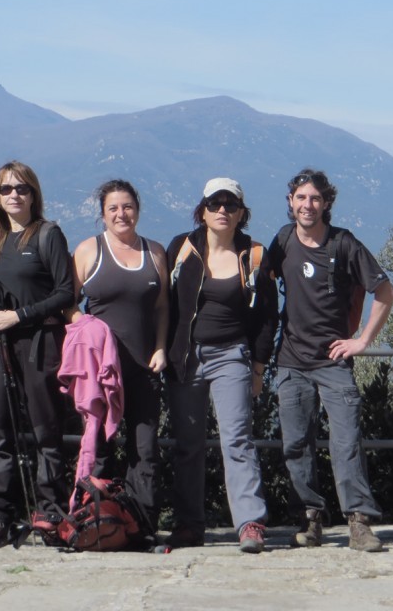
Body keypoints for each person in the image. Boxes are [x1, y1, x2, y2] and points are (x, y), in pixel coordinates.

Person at [268, 168, 393, 552]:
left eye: (315, 199)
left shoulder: (344, 244)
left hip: (333, 361)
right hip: (291, 360)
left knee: (347, 441)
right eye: (301, 198)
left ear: (327, 203)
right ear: (291, 202)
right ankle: (311, 520)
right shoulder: (284, 240)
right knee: (296, 444)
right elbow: (261, 283)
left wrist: (362, 341)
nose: (308, 205)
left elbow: (385, 292)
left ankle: (358, 523)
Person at [164, 178, 279, 554]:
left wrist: (259, 368)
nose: (222, 211)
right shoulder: (182, 248)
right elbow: (163, 304)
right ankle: (188, 525)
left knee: (238, 441)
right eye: (215, 203)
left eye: (231, 205)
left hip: (232, 355)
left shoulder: (255, 255)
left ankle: (250, 524)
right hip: (187, 358)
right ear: (203, 210)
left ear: (242, 213)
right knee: (188, 445)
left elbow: (267, 317)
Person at [0, 161, 75, 550]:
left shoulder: (47, 235)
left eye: (22, 189)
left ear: (34, 194)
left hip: (40, 344)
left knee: (45, 431)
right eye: (5, 189)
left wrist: (20, 314)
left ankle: (50, 513)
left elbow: (66, 293)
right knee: (0, 430)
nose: (14, 195)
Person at [70, 179, 169, 529]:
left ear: (138, 211)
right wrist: (87, 329)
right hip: (100, 372)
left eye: (127, 206)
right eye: (113, 208)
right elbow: (69, 304)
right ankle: (95, 520)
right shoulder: (88, 251)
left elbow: (162, 307)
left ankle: (141, 522)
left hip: (143, 368)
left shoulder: (155, 253)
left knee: (145, 448)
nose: (121, 214)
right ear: (102, 215)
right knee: (100, 445)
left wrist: (160, 347)